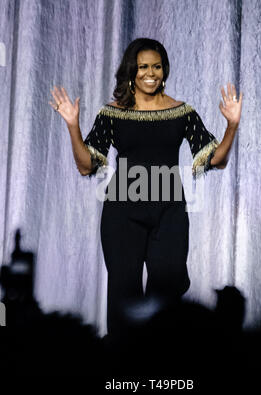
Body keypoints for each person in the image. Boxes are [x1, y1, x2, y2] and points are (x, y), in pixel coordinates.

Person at [49, 38, 243, 335]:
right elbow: (86, 165)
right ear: (132, 71)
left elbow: (215, 160)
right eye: (143, 67)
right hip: (122, 214)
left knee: (167, 295)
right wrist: (73, 126)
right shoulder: (112, 113)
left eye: (156, 66)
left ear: (164, 71)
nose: (150, 73)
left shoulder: (182, 112)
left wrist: (232, 125)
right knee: (123, 298)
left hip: (169, 212)